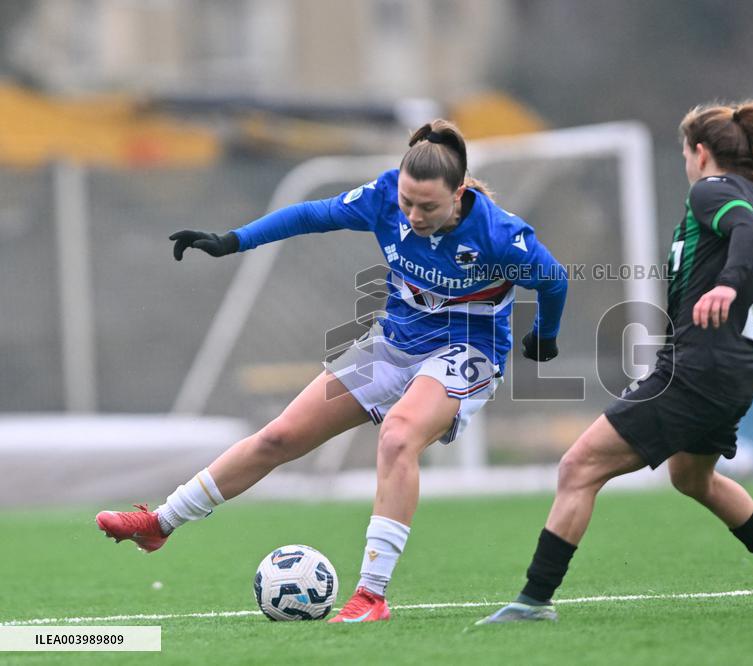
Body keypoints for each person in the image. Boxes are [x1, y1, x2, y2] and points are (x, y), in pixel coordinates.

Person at [95, 119, 567, 624]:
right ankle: (160, 523)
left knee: (398, 435)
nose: (412, 215)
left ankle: (371, 596)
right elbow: (311, 215)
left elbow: (554, 281)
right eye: (407, 202)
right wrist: (233, 240)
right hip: (394, 344)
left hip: (466, 351)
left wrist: (545, 334)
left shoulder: (499, 235)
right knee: (279, 437)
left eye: (427, 206)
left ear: (460, 193)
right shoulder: (386, 197)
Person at [477, 100, 753, 625]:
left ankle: (534, 601)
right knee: (692, 476)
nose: (686, 162)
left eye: (686, 151)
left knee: (577, 467)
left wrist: (726, 285)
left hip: (696, 370)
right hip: (736, 370)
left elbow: (743, 239)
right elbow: (750, 236)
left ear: (700, 152)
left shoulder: (712, 191)